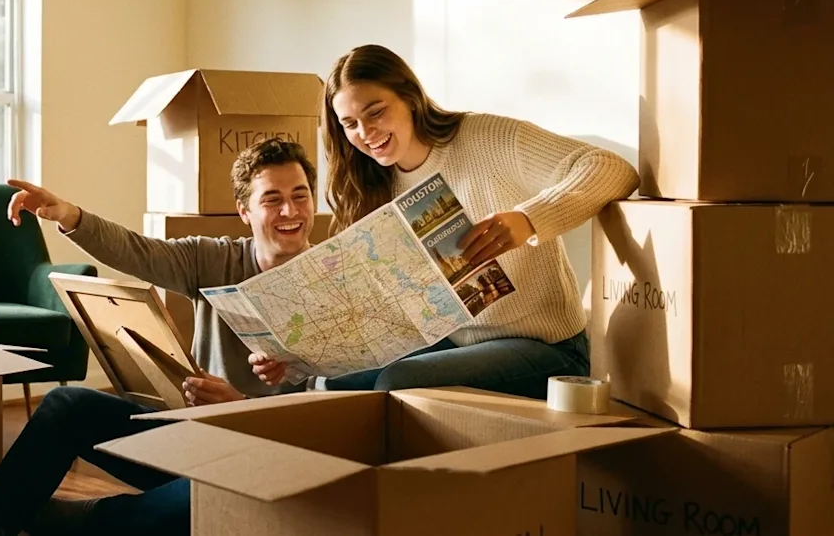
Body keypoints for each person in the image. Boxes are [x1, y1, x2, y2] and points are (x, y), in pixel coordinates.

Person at [0, 138, 320, 536]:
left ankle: (79, 519)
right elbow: (138, 251)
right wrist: (68, 215)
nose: (290, 212)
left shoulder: (336, 281)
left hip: (263, 459)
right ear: (244, 211)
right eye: (272, 199)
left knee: (197, 507)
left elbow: (332, 415)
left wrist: (244, 407)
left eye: (300, 197)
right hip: (193, 437)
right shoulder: (214, 260)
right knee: (69, 405)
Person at [252, 43, 638, 397]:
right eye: (349, 124)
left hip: (548, 348)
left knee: (397, 381)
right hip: (455, 341)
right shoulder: (373, 184)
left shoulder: (486, 138)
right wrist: (300, 354)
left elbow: (611, 167)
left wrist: (528, 219)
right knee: (332, 384)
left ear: (410, 98)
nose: (366, 134)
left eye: (376, 112)